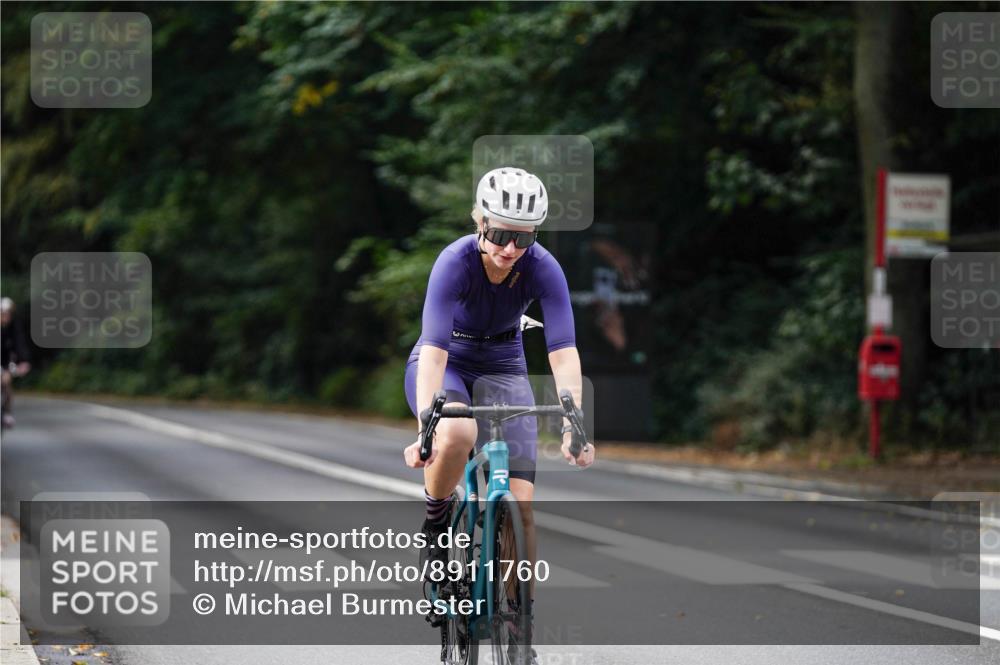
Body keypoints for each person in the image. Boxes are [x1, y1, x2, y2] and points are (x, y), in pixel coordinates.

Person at [402, 168, 596, 657]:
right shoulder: (455, 262)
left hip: (505, 362)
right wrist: (428, 421)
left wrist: (575, 423)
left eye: (523, 236)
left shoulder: (543, 267)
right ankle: (436, 522)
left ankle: (519, 621)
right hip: (447, 360)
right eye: (500, 233)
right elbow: (434, 350)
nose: (510, 247)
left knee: (522, 504)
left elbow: (563, 352)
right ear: (480, 221)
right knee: (457, 432)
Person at [1, 297, 32, 428]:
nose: (5, 317)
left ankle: (7, 413)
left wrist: (23, 361)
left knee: (6, 382)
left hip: (6, 361)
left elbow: (19, 344)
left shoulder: (13, 327)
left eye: (8, 314)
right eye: (3, 314)